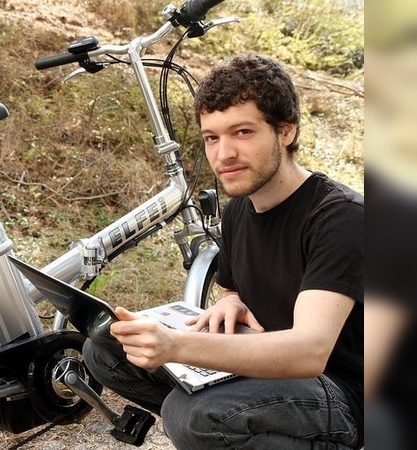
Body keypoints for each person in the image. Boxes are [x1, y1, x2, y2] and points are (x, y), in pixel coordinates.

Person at [83, 54, 363, 449]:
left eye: (243, 132)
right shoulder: (240, 211)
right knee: (105, 350)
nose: (223, 154)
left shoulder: (340, 217)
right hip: (268, 372)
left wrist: (176, 345)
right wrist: (230, 302)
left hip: (339, 392)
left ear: (285, 131)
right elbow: (238, 289)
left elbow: (309, 351)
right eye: (212, 137)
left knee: (191, 415)